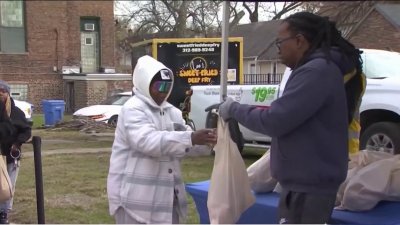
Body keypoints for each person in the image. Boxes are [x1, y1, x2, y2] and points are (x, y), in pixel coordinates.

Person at [219, 12, 364, 224]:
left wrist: (234, 109)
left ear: (299, 41)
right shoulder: (315, 69)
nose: (277, 48)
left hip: (309, 188)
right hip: (303, 183)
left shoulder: (317, 71)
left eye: (280, 42)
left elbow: (275, 120)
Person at [107, 55, 217, 224]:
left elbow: (186, 144)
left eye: (167, 86)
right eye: (159, 86)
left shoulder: (172, 112)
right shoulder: (132, 109)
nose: (163, 91)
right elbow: (148, 142)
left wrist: (209, 140)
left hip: (167, 199)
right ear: (145, 83)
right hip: (134, 202)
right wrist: (191, 138)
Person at [0, 80, 32, 224]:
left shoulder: (16, 112)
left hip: (11, 155)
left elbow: (26, 130)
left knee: (8, 185)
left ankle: (4, 213)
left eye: (2, 91)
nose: (0, 94)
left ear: (7, 93)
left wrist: (17, 143)